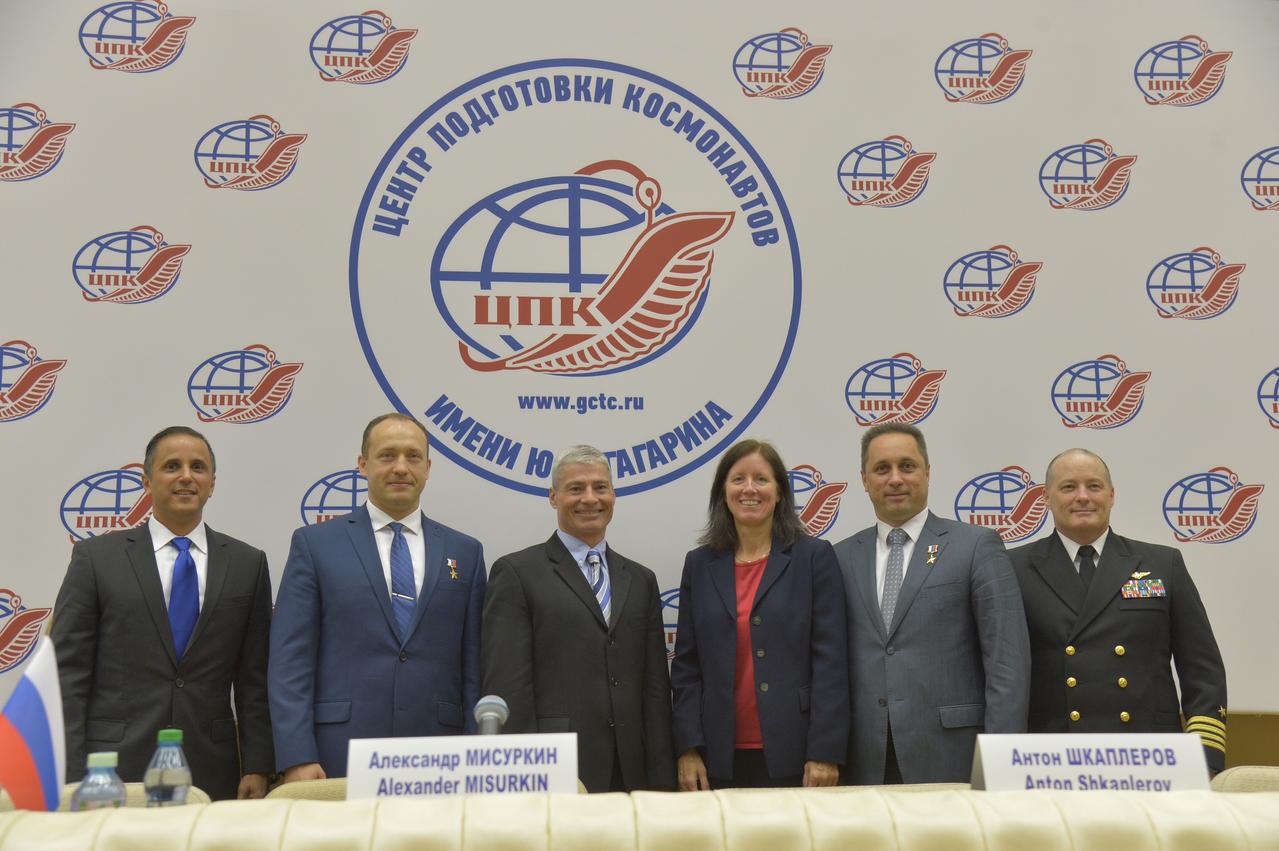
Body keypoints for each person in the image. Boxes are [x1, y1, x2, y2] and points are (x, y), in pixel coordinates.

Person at [51, 426, 273, 801]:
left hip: (213, 768)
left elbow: (255, 681)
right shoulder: (96, 559)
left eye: (198, 467)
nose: (186, 476)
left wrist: (257, 763)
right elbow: (67, 676)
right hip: (110, 767)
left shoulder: (247, 564)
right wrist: (70, 771)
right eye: (172, 466)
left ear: (212, 483)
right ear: (147, 480)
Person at [269, 413, 486, 780]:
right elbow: (291, 661)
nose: (401, 467)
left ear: (428, 467)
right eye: (387, 456)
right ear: (362, 464)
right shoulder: (316, 545)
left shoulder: (465, 552)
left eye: (413, 457)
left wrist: (475, 752)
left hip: (440, 755)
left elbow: (473, 669)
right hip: (337, 753)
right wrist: (296, 755)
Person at [1008, 448, 1228, 771]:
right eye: (1068, 487)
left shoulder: (1162, 564)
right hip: (1052, 761)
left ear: (1111, 496)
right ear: (1045, 498)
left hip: (1150, 759)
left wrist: (1204, 760)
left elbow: (1202, 670)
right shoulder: (1012, 568)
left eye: (1094, 486)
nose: (1082, 497)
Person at [833, 423, 1030, 784]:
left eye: (907, 466)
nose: (895, 479)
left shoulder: (976, 546)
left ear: (927, 472)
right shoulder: (840, 557)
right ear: (863, 479)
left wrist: (1002, 760)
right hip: (864, 760)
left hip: (953, 754)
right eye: (882, 468)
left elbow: (1007, 662)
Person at [481, 445, 675, 792]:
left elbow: (656, 691)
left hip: (633, 772)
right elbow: (509, 687)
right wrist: (525, 775)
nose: (590, 498)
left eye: (600, 487)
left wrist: (662, 777)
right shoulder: (516, 573)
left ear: (613, 495)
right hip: (557, 768)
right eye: (576, 488)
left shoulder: (641, 579)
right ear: (553, 497)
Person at [671, 439, 848, 790]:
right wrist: (687, 748)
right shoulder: (700, 564)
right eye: (738, 479)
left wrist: (825, 751)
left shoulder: (814, 558)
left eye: (761, 479)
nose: (749, 489)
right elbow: (687, 666)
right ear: (723, 492)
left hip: (796, 755)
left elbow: (831, 662)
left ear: (780, 493)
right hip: (717, 758)